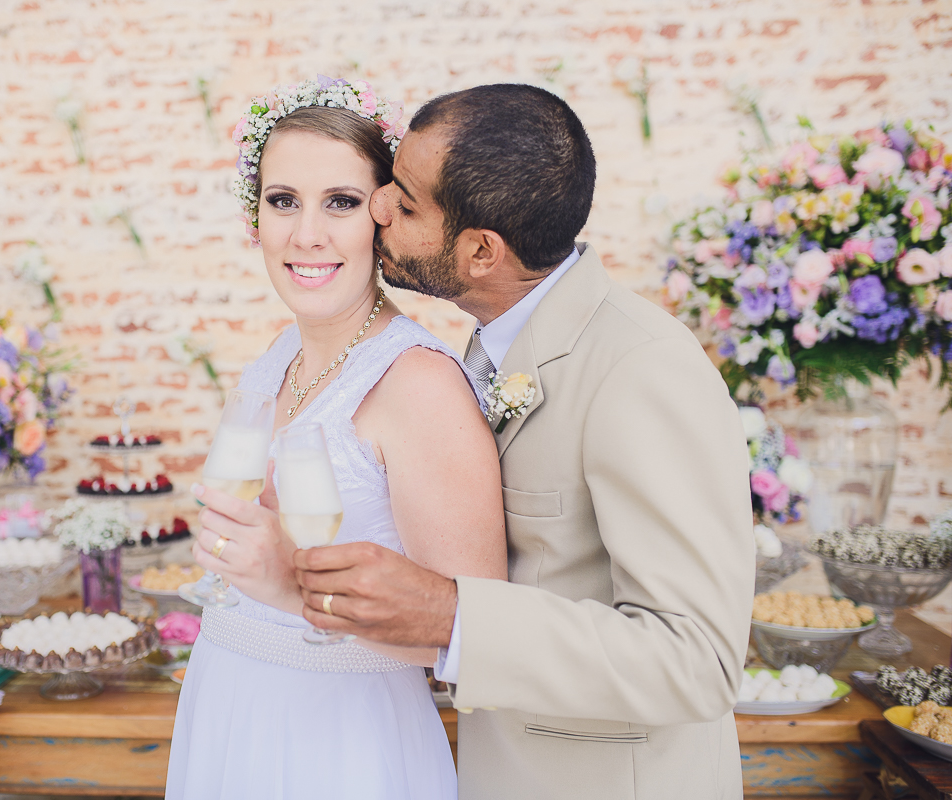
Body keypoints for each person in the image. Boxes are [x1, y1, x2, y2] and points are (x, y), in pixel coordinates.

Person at [293, 84, 756, 799]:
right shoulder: (491, 344)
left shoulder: (642, 370)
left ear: (481, 250)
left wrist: (453, 616)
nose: (378, 204)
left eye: (407, 203)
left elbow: (696, 661)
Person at [165, 78, 507, 800]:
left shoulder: (417, 384)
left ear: (383, 217)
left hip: (344, 747)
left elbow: (477, 640)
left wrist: (292, 585)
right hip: (229, 711)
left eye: (341, 203)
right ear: (254, 215)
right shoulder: (272, 361)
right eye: (283, 200)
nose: (306, 235)